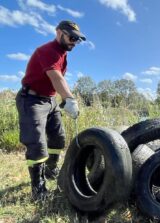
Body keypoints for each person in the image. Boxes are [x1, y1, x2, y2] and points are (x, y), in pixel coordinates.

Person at [15, 20, 86, 201]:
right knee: (37, 144)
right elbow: (56, 78)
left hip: (50, 100)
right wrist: (69, 99)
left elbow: (57, 80)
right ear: (59, 32)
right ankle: (38, 189)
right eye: (71, 38)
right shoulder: (47, 51)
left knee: (58, 137)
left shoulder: (62, 54)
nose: (74, 43)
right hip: (31, 99)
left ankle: (51, 170)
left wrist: (60, 98)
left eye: (77, 40)